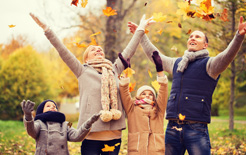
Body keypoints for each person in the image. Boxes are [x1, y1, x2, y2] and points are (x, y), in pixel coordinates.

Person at [29, 13, 154, 155]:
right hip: (90, 134)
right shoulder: (82, 70)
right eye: (93, 49)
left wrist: (141, 28)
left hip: (114, 135)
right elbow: (62, 50)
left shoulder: (113, 69)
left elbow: (128, 51)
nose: (98, 50)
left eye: (100, 49)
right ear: (86, 58)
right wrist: (46, 28)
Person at [128, 16, 246, 154]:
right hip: (172, 128)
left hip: (196, 129)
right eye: (191, 36)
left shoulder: (210, 65)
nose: (193, 38)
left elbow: (227, 56)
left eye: (198, 37)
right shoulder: (177, 63)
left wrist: (239, 36)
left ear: (205, 45)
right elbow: (156, 56)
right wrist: (141, 35)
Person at [119, 51, 168, 154]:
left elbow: (163, 91)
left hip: (156, 150)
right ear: (138, 96)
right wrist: (127, 72)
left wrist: (160, 71)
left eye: (150, 94)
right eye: (144, 93)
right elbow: (124, 91)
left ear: (154, 98)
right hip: (137, 150)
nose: (147, 95)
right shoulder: (132, 108)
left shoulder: (158, 109)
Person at [21, 99, 100, 155]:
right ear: (41, 111)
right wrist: (28, 116)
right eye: (48, 106)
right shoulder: (39, 123)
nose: (52, 107)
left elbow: (77, 136)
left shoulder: (67, 123)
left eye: (54, 106)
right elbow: (32, 131)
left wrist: (88, 123)